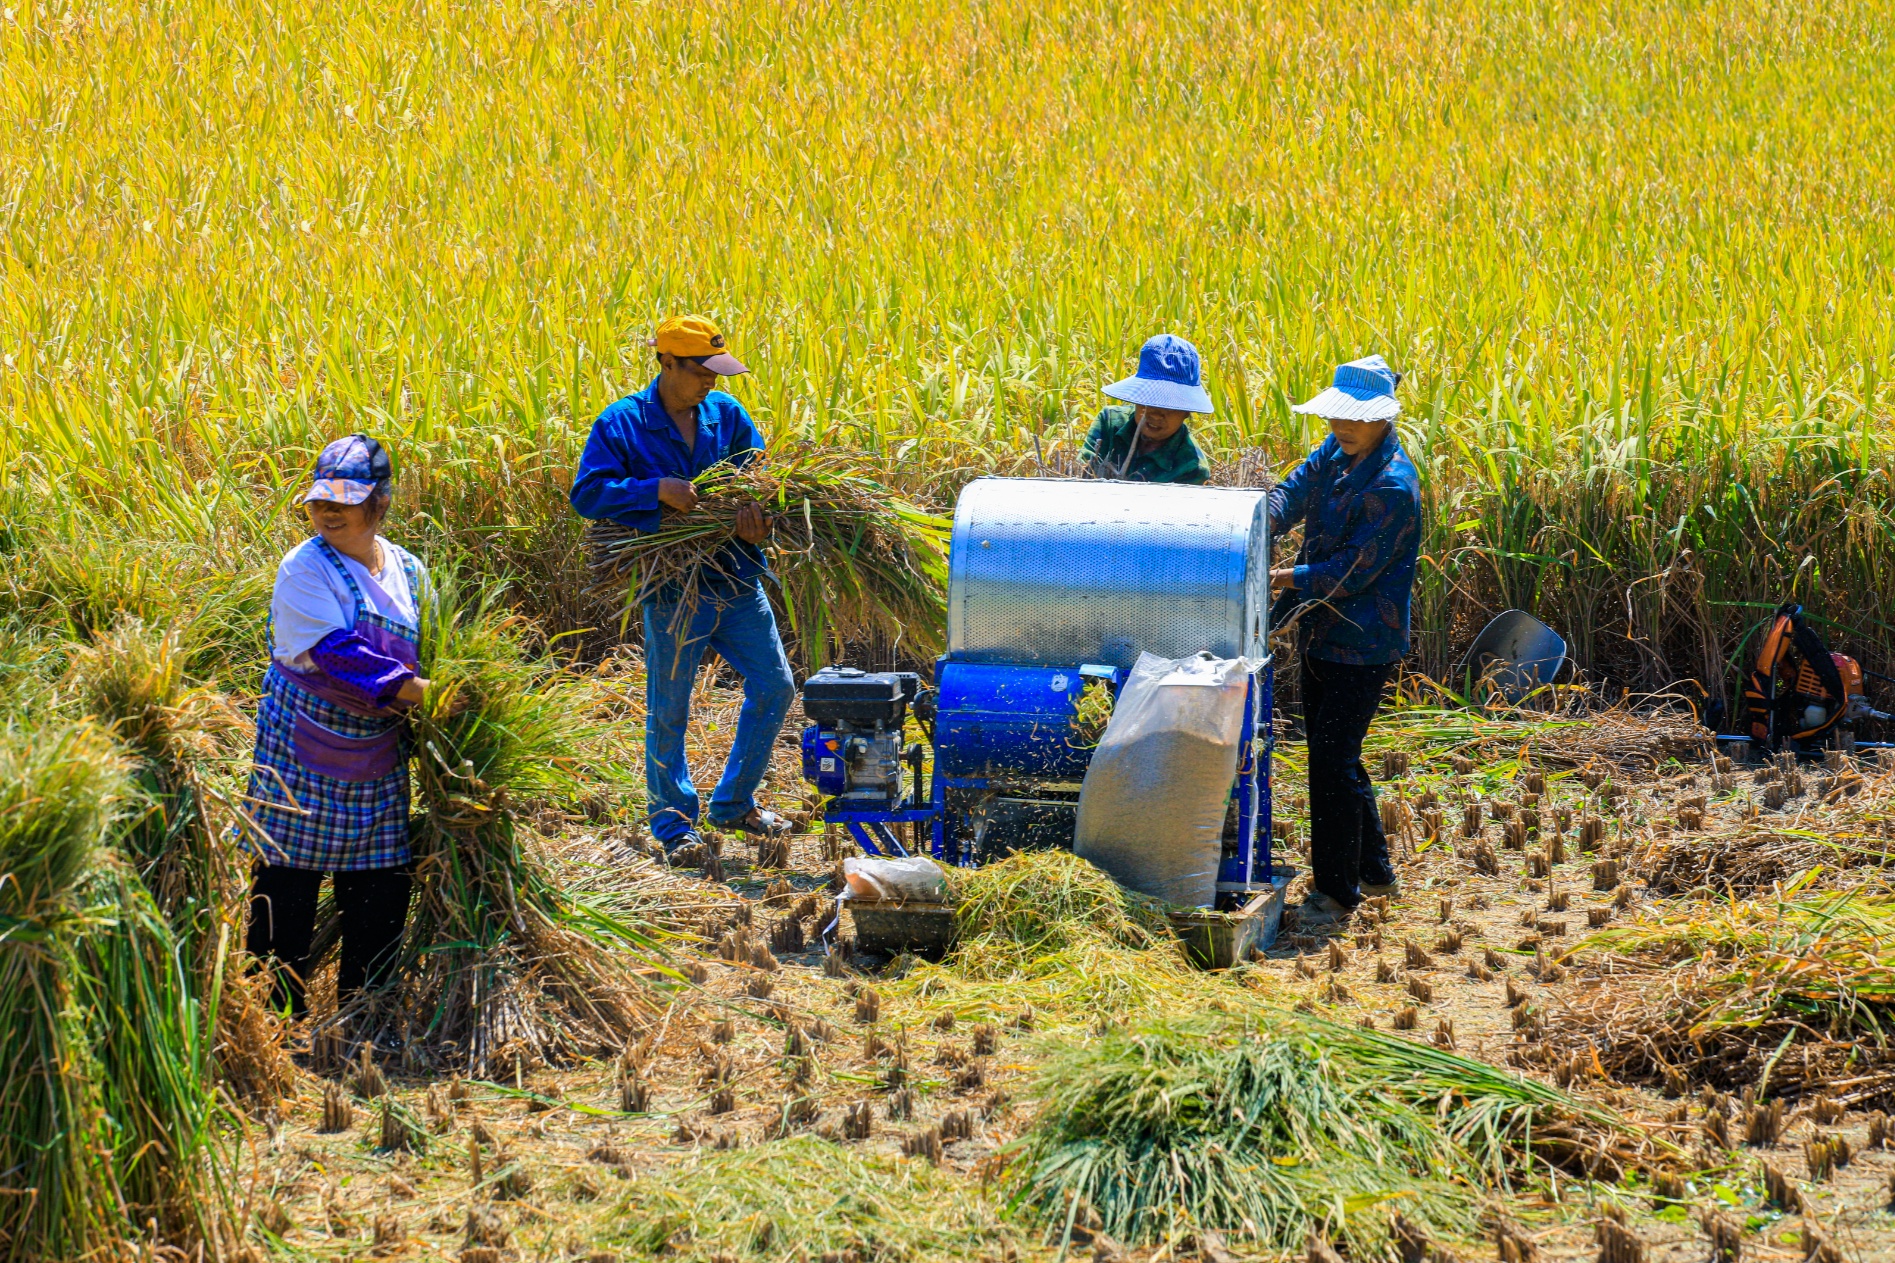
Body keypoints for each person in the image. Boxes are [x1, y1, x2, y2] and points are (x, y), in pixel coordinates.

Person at [570, 316, 795, 862]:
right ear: (667, 363)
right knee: (669, 709)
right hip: (672, 590)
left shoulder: (727, 416)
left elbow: (765, 482)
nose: (711, 382)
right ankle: (673, 824)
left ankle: (734, 803)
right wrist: (656, 491)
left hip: (736, 577)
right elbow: (588, 494)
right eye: (701, 371)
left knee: (776, 686)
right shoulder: (622, 423)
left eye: (717, 371)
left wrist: (761, 520)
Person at [243, 434, 432, 1019]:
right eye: (322, 499)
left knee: (378, 888)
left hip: (375, 756)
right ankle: (273, 1024)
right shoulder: (304, 569)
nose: (328, 510)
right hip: (301, 749)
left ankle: (363, 1017)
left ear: (379, 504)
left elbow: (431, 648)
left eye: (346, 501)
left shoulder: (408, 569)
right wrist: (422, 694)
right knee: (287, 889)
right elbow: (338, 654)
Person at [1268, 355, 1421, 925]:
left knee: (1331, 764)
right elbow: (1295, 487)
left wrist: (1286, 577)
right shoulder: (1337, 450)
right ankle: (1376, 875)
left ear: (1384, 420)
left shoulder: (1393, 486)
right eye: (1336, 417)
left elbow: (1351, 572)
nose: (1343, 427)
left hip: (1363, 641)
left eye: (1356, 419)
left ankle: (1336, 891)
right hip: (1319, 631)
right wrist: (1265, 521)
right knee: (1340, 757)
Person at [1081, 333, 1212, 484]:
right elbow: (1083, 475)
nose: (1156, 415)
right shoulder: (1109, 423)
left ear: (1187, 412)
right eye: (1149, 400)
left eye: (1170, 406)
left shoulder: (1191, 467)